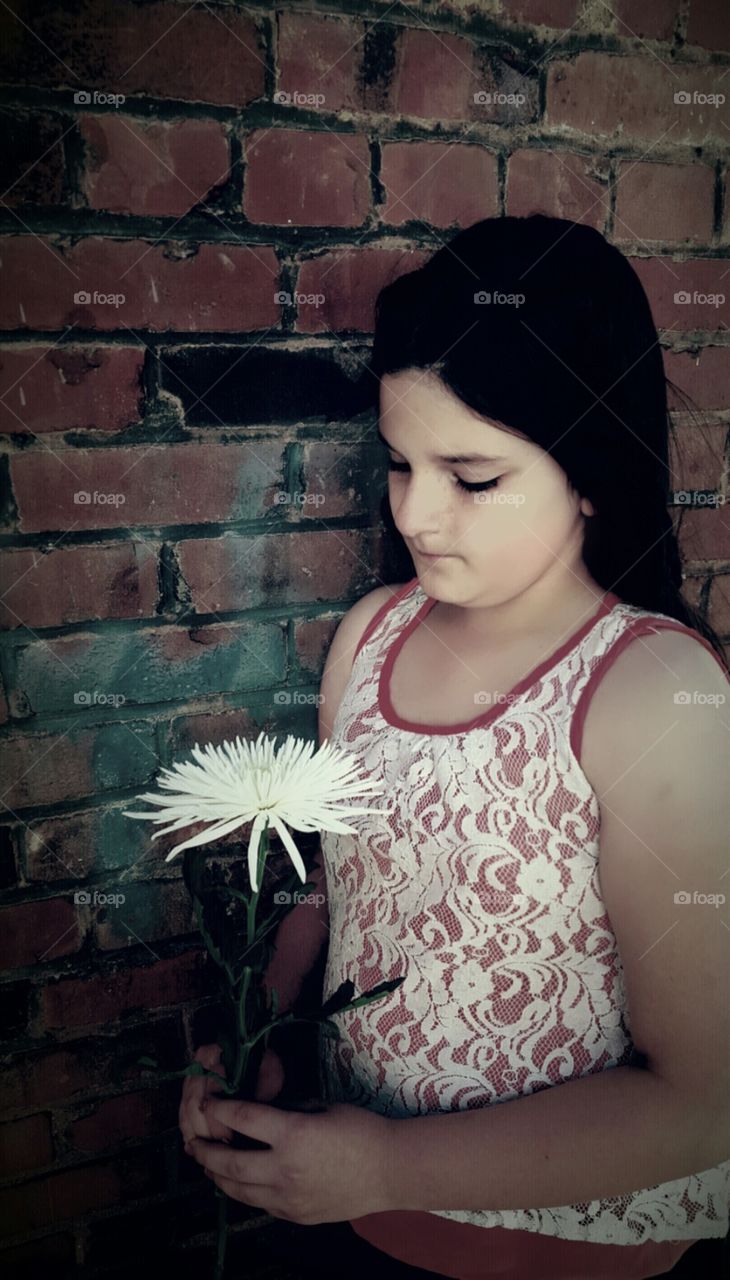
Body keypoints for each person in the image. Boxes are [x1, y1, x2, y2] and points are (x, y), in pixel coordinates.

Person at [180, 215, 730, 1279]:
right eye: (397, 461)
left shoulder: (653, 693)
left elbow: (704, 1096)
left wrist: (391, 1162)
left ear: (587, 469)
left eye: (471, 477)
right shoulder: (371, 638)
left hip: (569, 1259)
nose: (418, 512)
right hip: (363, 1231)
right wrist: (257, 1036)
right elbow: (337, 891)